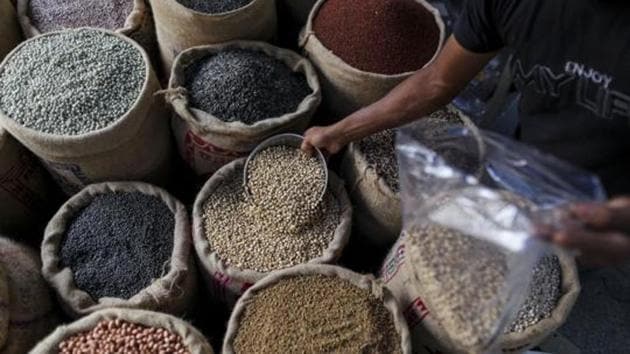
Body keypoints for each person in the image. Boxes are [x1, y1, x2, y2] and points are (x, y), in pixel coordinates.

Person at [301, 0, 630, 266]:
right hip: (527, 160)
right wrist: (340, 132)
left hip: (607, 205)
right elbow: (436, 82)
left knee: (558, 264)